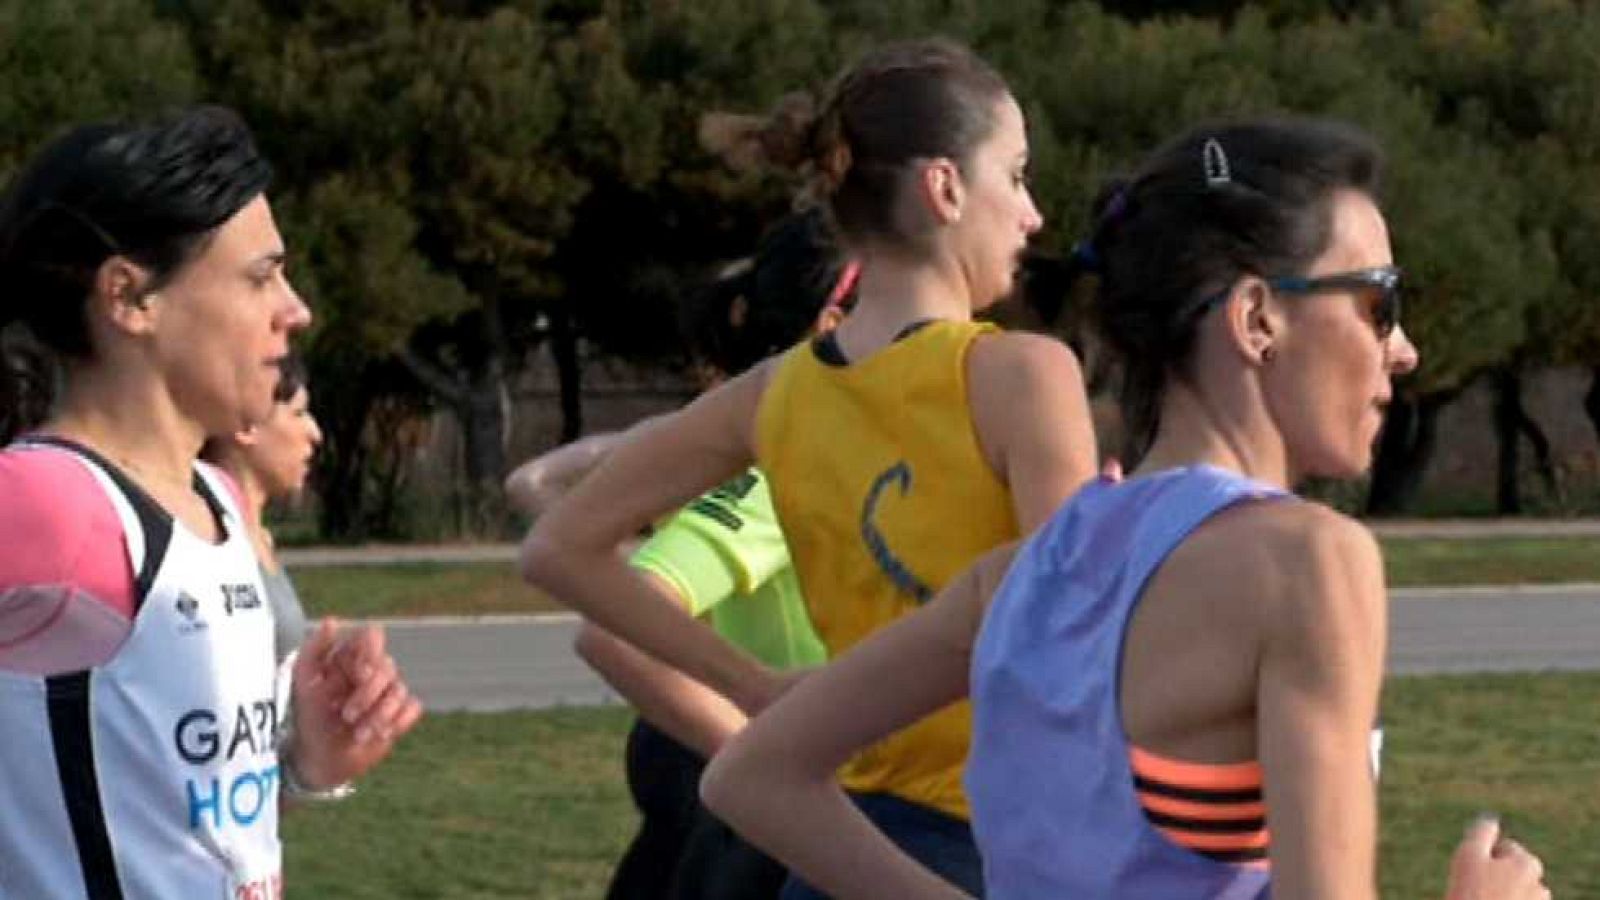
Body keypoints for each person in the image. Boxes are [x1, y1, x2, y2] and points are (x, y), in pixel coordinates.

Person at [699, 118, 1551, 900]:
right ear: (1257, 318)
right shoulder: (1306, 561)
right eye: (1378, 301)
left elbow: (752, 774)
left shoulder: (1017, 575)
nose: (1403, 351)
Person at [521, 38, 1099, 897]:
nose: (1034, 214)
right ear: (945, 187)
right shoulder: (1022, 374)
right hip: (997, 842)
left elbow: (557, 549)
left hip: (836, 854)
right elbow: (1076, 643)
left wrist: (753, 688)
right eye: (1015, 176)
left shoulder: (773, 394)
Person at [0, 105, 422, 899]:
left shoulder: (217, 500)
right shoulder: (45, 503)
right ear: (130, 298)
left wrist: (301, 767)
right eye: (261, 275)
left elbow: (175, 834)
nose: (295, 309)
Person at [507, 209, 849, 900]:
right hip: (767, 808)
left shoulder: (761, 455)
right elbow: (611, 636)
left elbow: (535, 482)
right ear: (833, 324)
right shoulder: (781, 474)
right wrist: (769, 766)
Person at [200, 355, 321, 665]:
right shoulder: (203, 541)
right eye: (299, 413)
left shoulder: (260, 538)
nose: (315, 433)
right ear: (246, 425)